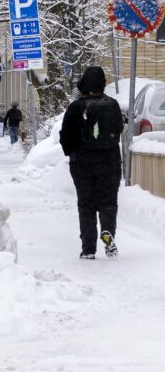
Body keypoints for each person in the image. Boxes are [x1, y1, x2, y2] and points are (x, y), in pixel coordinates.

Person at [59, 66, 123, 259]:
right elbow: (118, 129)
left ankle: (88, 249)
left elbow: (65, 134)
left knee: (86, 204)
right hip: (110, 161)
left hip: (82, 163)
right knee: (108, 202)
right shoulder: (112, 104)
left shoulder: (77, 106)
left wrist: (72, 153)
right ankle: (108, 232)